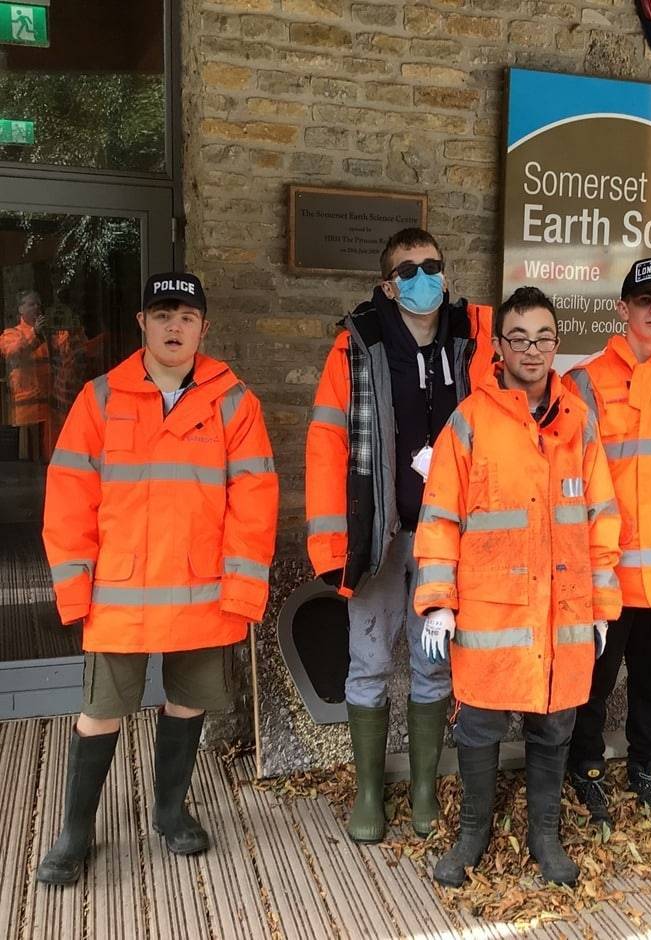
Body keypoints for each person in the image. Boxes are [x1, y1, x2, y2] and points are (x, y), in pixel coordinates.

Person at [39, 272, 278, 884]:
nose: (175, 326)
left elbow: (254, 506)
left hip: (203, 590)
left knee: (188, 702)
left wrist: (243, 590)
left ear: (204, 327)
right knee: (100, 712)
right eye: (162, 313)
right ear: (142, 322)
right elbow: (68, 500)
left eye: (187, 316)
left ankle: (170, 812)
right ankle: (76, 831)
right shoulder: (101, 398)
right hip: (115, 593)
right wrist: (74, 588)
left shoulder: (234, 402)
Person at [413, 286, 621, 887]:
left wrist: (603, 606)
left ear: (556, 345)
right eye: (520, 338)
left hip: (563, 613)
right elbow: (440, 517)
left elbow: (602, 518)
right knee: (478, 725)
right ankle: (473, 833)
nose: (533, 350)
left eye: (544, 338)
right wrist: (438, 604)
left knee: (554, 724)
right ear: (499, 347)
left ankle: (544, 835)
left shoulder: (578, 424)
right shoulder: (470, 422)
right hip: (489, 613)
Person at [305, 228, 493, 843]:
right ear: (388, 283)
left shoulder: (472, 341)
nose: (423, 277)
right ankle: (367, 793)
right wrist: (337, 550)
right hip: (381, 538)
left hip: (448, 539)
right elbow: (327, 446)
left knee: (434, 664)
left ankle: (421, 790)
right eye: (408, 269)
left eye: (432, 265)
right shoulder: (357, 345)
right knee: (369, 664)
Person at [563, 257, 651, 831]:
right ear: (621, 308)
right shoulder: (584, 382)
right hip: (609, 567)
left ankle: (648, 767)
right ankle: (587, 767)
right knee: (594, 680)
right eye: (643, 299)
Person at [1, 289, 51, 456]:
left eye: (38, 304)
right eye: (31, 304)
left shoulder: (47, 333)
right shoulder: (11, 333)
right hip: (27, 411)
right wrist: (34, 334)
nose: (36, 307)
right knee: (26, 464)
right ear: (20, 309)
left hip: (49, 408)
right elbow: (12, 352)